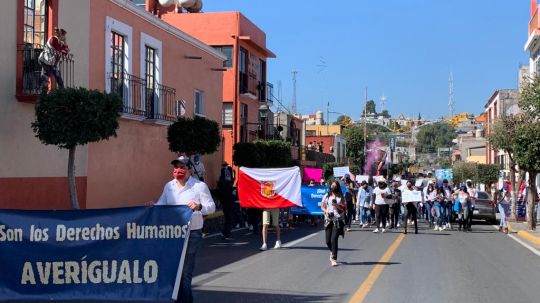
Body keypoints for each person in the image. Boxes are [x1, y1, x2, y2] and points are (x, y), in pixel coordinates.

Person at [154, 156, 215, 303]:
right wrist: (152, 207)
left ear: (189, 170)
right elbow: (162, 204)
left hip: (192, 233)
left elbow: (211, 207)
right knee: (173, 269)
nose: (178, 170)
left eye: (182, 167)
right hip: (172, 233)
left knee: (185, 272)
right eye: (176, 167)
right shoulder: (169, 186)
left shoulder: (199, 186)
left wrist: (199, 207)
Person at [321, 180, 346, 266]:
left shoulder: (341, 197)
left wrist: (337, 205)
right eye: (332, 185)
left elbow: (344, 208)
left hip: (337, 220)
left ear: (338, 187)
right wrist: (326, 211)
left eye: (335, 186)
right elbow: (322, 207)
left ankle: (334, 258)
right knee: (328, 241)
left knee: (334, 239)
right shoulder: (327, 196)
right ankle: (332, 252)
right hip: (328, 220)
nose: (333, 187)